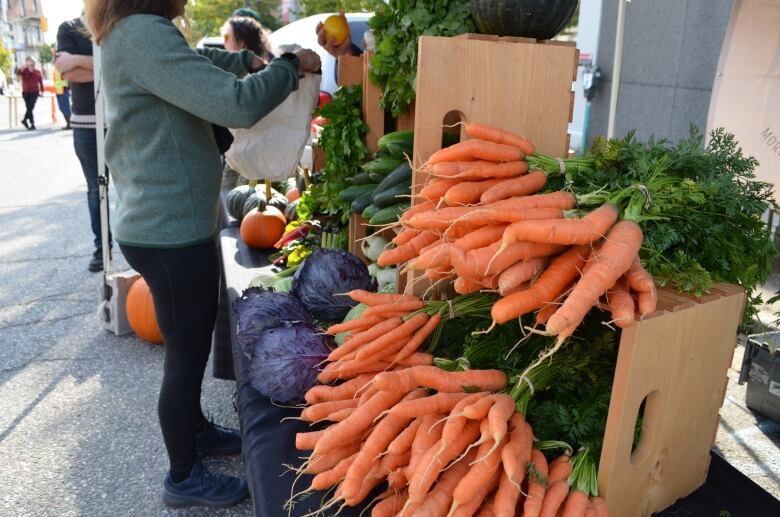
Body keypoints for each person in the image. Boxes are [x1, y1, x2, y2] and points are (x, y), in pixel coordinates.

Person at [84, 0, 320, 508]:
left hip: (165, 222)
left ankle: (195, 431)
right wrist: (285, 67)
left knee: (185, 346)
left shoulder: (133, 33)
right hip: (168, 229)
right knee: (186, 357)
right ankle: (183, 475)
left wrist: (243, 61)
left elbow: (192, 71)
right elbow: (235, 106)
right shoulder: (143, 33)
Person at [55, 17, 111, 273]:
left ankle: (146, 248)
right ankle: (103, 248)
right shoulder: (69, 28)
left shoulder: (115, 23)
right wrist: (103, 67)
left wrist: (78, 60)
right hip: (86, 125)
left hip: (119, 121)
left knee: (135, 187)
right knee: (94, 189)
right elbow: (68, 74)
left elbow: (120, 65)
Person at [15, 57, 43, 130]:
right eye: (30, 61)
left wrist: (42, 91)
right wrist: (24, 66)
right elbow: (17, 72)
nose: (31, 63)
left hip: (35, 92)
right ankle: (32, 124)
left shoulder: (37, 71)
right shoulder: (24, 71)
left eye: (33, 61)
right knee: (29, 108)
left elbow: (41, 82)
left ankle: (25, 120)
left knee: (30, 107)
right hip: (26, 92)